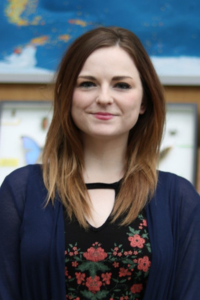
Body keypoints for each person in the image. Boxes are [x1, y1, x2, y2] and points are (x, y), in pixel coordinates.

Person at [0, 26, 200, 300]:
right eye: (87, 83)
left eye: (122, 85)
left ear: (144, 101)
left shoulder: (179, 199)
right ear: (67, 95)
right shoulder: (21, 191)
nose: (104, 98)